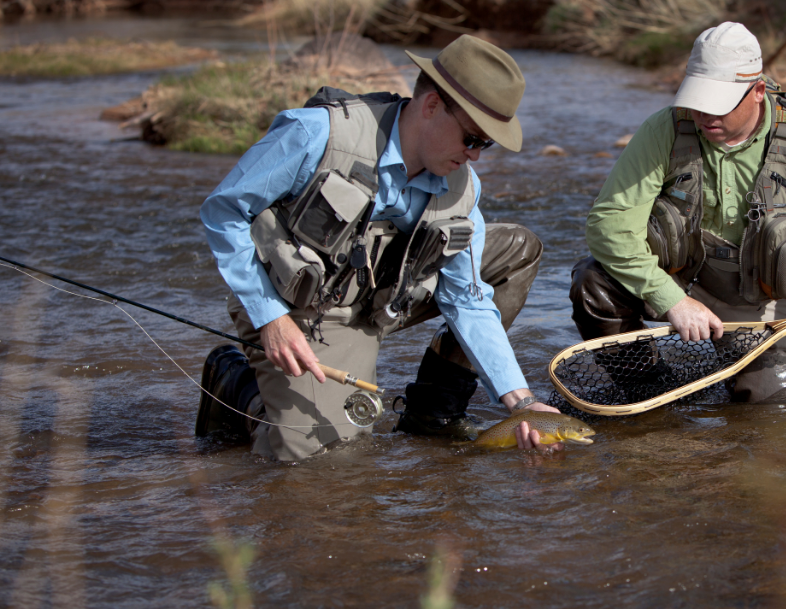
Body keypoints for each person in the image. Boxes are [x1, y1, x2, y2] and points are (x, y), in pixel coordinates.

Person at [196, 34, 560, 461]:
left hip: (386, 299)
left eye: (486, 145)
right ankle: (239, 386)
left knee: (514, 249)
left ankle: (432, 412)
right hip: (298, 307)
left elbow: (468, 299)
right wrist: (270, 317)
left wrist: (520, 402)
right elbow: (224, 212)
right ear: (431, 107)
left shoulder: (464, 188)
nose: (476, 156)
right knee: (327, 463)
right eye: (473, 139)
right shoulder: (317, 133)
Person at [571, 22, 786, 402]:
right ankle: (650, 392)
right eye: (698, 100)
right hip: (678, 281)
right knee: (593, 284)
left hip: (761, 304)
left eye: (718, 104)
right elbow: (609, 226)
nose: (705, 116)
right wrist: (671, 300)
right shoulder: (665, 130)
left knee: (772, 410)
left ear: (758, 92)